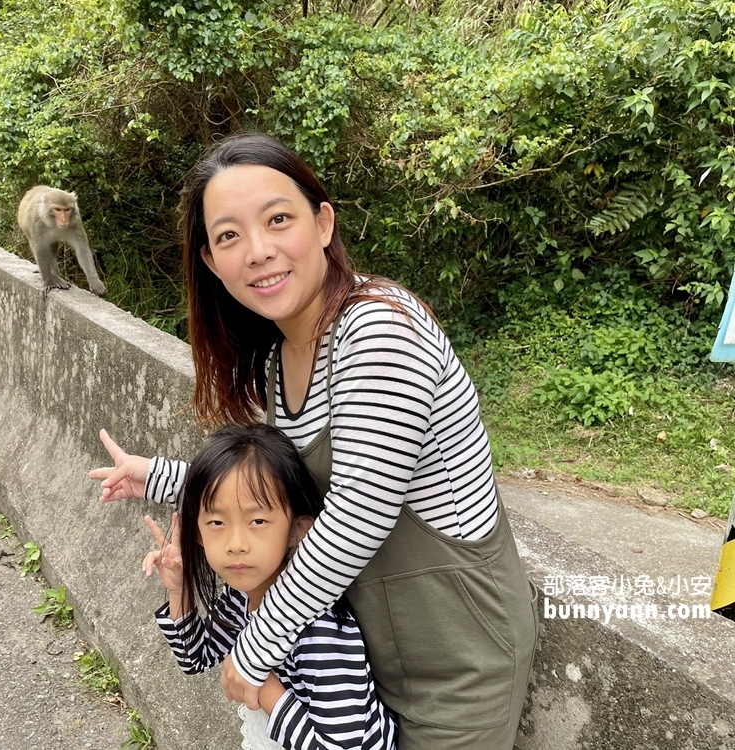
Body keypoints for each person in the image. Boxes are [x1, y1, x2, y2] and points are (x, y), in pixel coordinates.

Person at [90, 131, 539, 749]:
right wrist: (162, 476)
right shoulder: (280, 358)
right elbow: (279, 486)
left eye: (279, 219)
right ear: (211, 263)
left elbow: (355, 515)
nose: (258, 251)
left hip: (455, 661)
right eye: (229, 236)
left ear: (323, 223)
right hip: (366, 662)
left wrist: (255, 651)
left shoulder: (378, 330)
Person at [144, 423, 397, 749]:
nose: (236, 544)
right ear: (197, 533)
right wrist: (180, 590)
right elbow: (197, 657)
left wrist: (263, 688)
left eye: (258, 521)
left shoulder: (322, 633)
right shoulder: (239, 597)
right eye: (217, 523)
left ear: (299, 530)